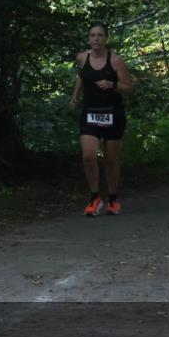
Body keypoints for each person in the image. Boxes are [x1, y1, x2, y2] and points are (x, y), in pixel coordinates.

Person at [70, 23, 133, 216]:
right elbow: (82, 76)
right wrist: (75, 96)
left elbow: (128, 87)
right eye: (92, 35)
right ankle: (95, 197)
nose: (96, 38)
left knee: (111, 160)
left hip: (113, 114)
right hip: (90, 114)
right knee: (88, 156)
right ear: (88, 39)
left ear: (106, 38)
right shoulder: (82, 57)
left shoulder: (115, 61)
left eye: (100, 35)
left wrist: (112, 84)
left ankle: (113, 198)